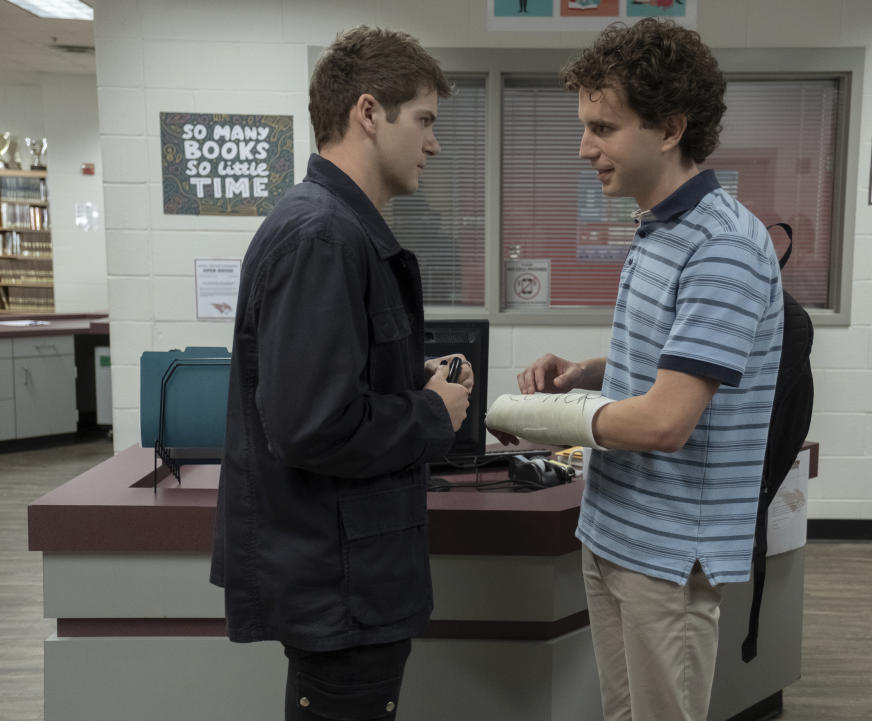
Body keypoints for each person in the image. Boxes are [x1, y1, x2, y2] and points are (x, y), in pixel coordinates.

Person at [488, 19, 784, 721]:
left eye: (603, 127)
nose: (584, 146)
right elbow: (669, 365)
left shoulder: (722, 246)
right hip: (613, 528)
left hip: (667, 551)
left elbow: (662, 422)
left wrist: (523, 414)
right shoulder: (659, 228)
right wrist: (588, 370)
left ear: (670, 127)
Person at [210, 26, 472, 721]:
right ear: (366, 112)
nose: (433, 143)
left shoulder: (335, 228)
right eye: (422, 120)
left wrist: (403, 375)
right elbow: (310, 426)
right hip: (340, 583)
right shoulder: (323, 235)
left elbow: (321, 384)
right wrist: (431, 415)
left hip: (347, 577)